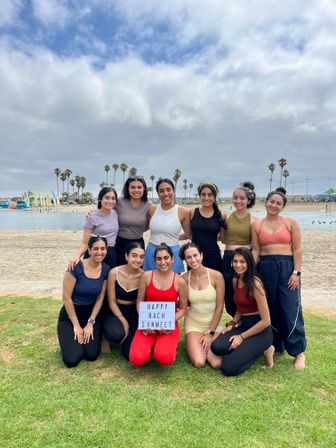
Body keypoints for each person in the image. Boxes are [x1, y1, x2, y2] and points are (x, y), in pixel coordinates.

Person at [251, 187, 306, 369]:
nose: (274, 205)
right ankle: (274, 346)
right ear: (266, 202)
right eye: (271, 201)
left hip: (287, 268)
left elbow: (297, 249)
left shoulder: (290, 223)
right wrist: (250, 271)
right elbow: (257, 250)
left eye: (278, 203)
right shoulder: (257, 225)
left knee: (290, 309)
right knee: (270, 308)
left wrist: (296, 272)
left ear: (282, 207)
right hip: (266, 267)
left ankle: (298, 352)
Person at [211, 248, 274, 376]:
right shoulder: (236, 281)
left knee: (228, 369)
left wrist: (241, 337)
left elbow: (266, 321)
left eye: (242, 262)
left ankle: (266, 348)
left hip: (260, 331)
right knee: (216, 347)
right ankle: (247, 348)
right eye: (235, 261)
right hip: (244, 326)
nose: (238, 265)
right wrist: (233, 324)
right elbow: (240, 307)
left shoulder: (255, 284)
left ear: (249, 263)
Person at [129, 243, 188, 366]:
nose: (163, 262)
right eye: (159, 259)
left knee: (164, 358)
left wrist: (168, 322)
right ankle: (150, 346)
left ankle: (163, 347)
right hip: (148, 323)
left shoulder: (180, 281)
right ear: (155, 260)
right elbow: (140, 302)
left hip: (168, 325)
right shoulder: (146, 276)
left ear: (172, 259)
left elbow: (182, 309)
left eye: (166, 258)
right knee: (136, 358)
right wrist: (146, 322)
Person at [57, 235, 110, 368]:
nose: (99, 252)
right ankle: (72, 339)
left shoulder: (105, 269)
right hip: (70, 316)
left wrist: (90, 323)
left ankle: (81, 340)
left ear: (106, 250)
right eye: (95, 249)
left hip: (89, 315)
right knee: (72, 360)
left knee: (91, 355)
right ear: (89, 250)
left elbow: (100, 298)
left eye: (103, 249)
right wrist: (76, 325)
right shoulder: (76, 267)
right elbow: (66, 298)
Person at [180, 242, 224, 368]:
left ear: (201, 255)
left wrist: (210, 333)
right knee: (199, 362)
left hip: (213, 325)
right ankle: (194, 344)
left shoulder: (216, 276)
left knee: (216, 363)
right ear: (185, 260)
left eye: (195, 255)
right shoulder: (183, 278)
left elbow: (220, 307)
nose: (193, 260)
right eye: (189, 257)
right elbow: (183, 304)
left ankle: (207, 346)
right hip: (194, 324)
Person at [221, 181, 257, 316]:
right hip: (228, 257)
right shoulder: (226, 216)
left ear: (248, 200)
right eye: (235, 198)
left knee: (245, 289)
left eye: (242, 198)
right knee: (228, 290)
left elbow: (256, 245)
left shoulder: (254, 220)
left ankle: (246, 320)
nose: (238, 201)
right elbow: (223, 239)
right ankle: (233, 319)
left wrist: (252, 262)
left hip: (246, 258)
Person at [103, 242, 145, 360]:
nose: (138, 260)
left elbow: (142, 302)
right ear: (126, 256)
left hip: (133, 313)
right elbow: (111, 301)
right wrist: (123, 321)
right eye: (134, 255)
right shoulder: (114, 273)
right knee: (115, 335)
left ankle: (126, 339)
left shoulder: (144, 276)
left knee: (129, 354)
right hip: (114, 310)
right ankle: (105, 336)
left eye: (141, 257)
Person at [143, 178, 191, 273]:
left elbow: (189, 234)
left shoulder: (183, 211)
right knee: (151, 284)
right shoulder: (151, 210)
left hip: (173, 253)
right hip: (152, 252)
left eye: (168, 190)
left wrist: (173, 237)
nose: (165, 193)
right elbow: (143, 228)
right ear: (158, 193)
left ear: (174, 191)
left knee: (172, 285)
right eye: (161, 191)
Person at [69, 186, 118, 269]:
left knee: (109, 280)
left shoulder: (115, 213)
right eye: (107, 198)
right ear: (100, 199)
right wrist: (77, 257)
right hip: (95, 252)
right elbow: (85, 243)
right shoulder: (92, 216)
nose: (110, 201)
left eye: (113, 198)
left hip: (111, 253)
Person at [187, 183, 226, 272]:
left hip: (213, 257)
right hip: (194, 257)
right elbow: (188, 234)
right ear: (199, 196)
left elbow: (223, 239)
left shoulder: (221, 215)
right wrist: (172, 237)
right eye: (203, 195)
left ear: (215, 197)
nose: (206, 198)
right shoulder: (192, 212)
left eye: (210, 195)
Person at [115, 176, 151, 265]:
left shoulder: (148, 205)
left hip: (138, 243)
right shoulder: (118, 202)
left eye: (139, 187)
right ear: (128, 189)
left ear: (144, 189)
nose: (136, 190)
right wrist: (92, 211)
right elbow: (104, 210)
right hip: (119, 243)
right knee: (119, 271)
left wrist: (137, 230)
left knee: (136, 272)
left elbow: (149, 225)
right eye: (132, 187)